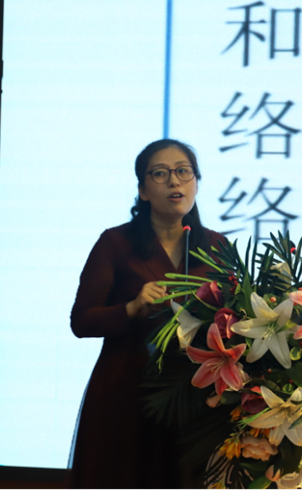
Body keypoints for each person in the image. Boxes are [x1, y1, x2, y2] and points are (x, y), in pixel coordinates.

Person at [68, 139, 227, 489]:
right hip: (125, 393)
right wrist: (132, 308)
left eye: (184, 171)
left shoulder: (217, 247)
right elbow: (81, 321)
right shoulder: (115, 243)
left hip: (192, 399)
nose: (174, 181)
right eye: (160, 173)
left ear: (196, 183)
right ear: (142, 190)